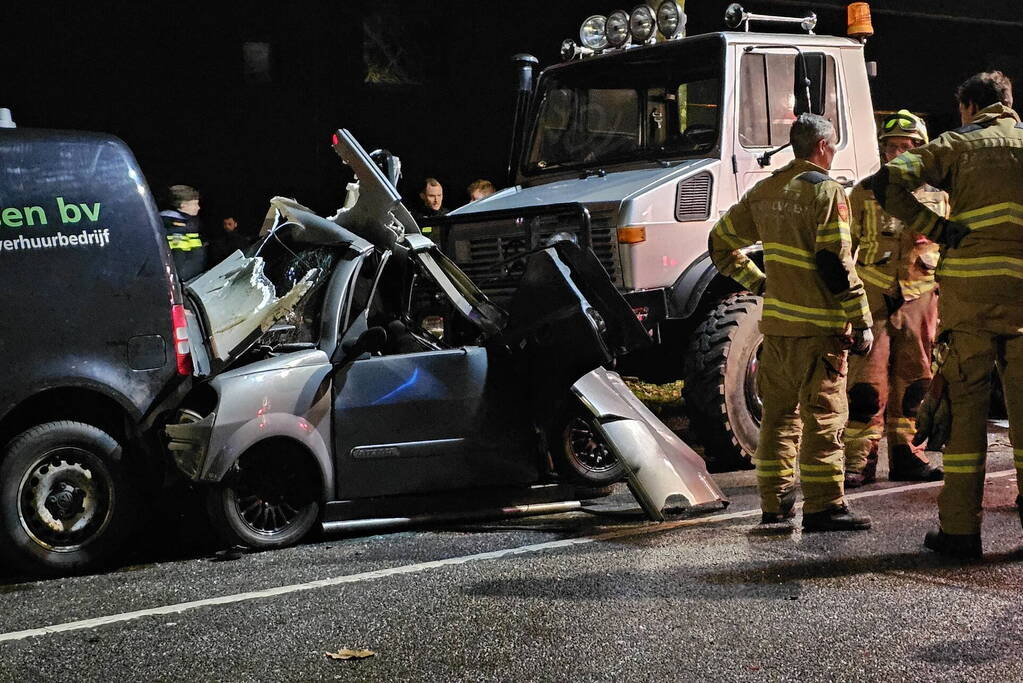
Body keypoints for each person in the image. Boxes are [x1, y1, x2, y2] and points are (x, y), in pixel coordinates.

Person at [872, 71, 1023, 559]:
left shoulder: (957, 143)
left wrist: (936, 226)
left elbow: (888, 180)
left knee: (965, 417)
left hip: (970, 301)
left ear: (969, 108)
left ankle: (960, 533)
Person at [709, 113, 874, 532]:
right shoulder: (827, 192)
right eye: (833, 147)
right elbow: (834, 260)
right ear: (822, 147)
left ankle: (774, 507)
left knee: (778, 420)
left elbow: (720, 242)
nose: (833, 154)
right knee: (822, 419)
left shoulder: (764, 191)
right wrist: (862, 318)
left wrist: (760, 283)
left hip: (777, 331)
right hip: (820, 333)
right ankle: (824, 507)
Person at [842, 111, 948, 488]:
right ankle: (859, 463)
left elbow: (951, 249)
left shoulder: (940, 195)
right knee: (866, 388)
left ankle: (909, 458)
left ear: (921, 150)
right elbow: (844, 250)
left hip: (921, 299)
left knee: (916, 383)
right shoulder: (864, 192)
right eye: (893, 146)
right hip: (873, 296)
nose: (899, 152)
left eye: (907, 146)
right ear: (883, 151)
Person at [160, 184, 206, 282]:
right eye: (195, 203)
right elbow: (179, 264)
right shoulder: (175, 228)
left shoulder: (187, 224)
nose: (198, 207)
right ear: (183, 205)